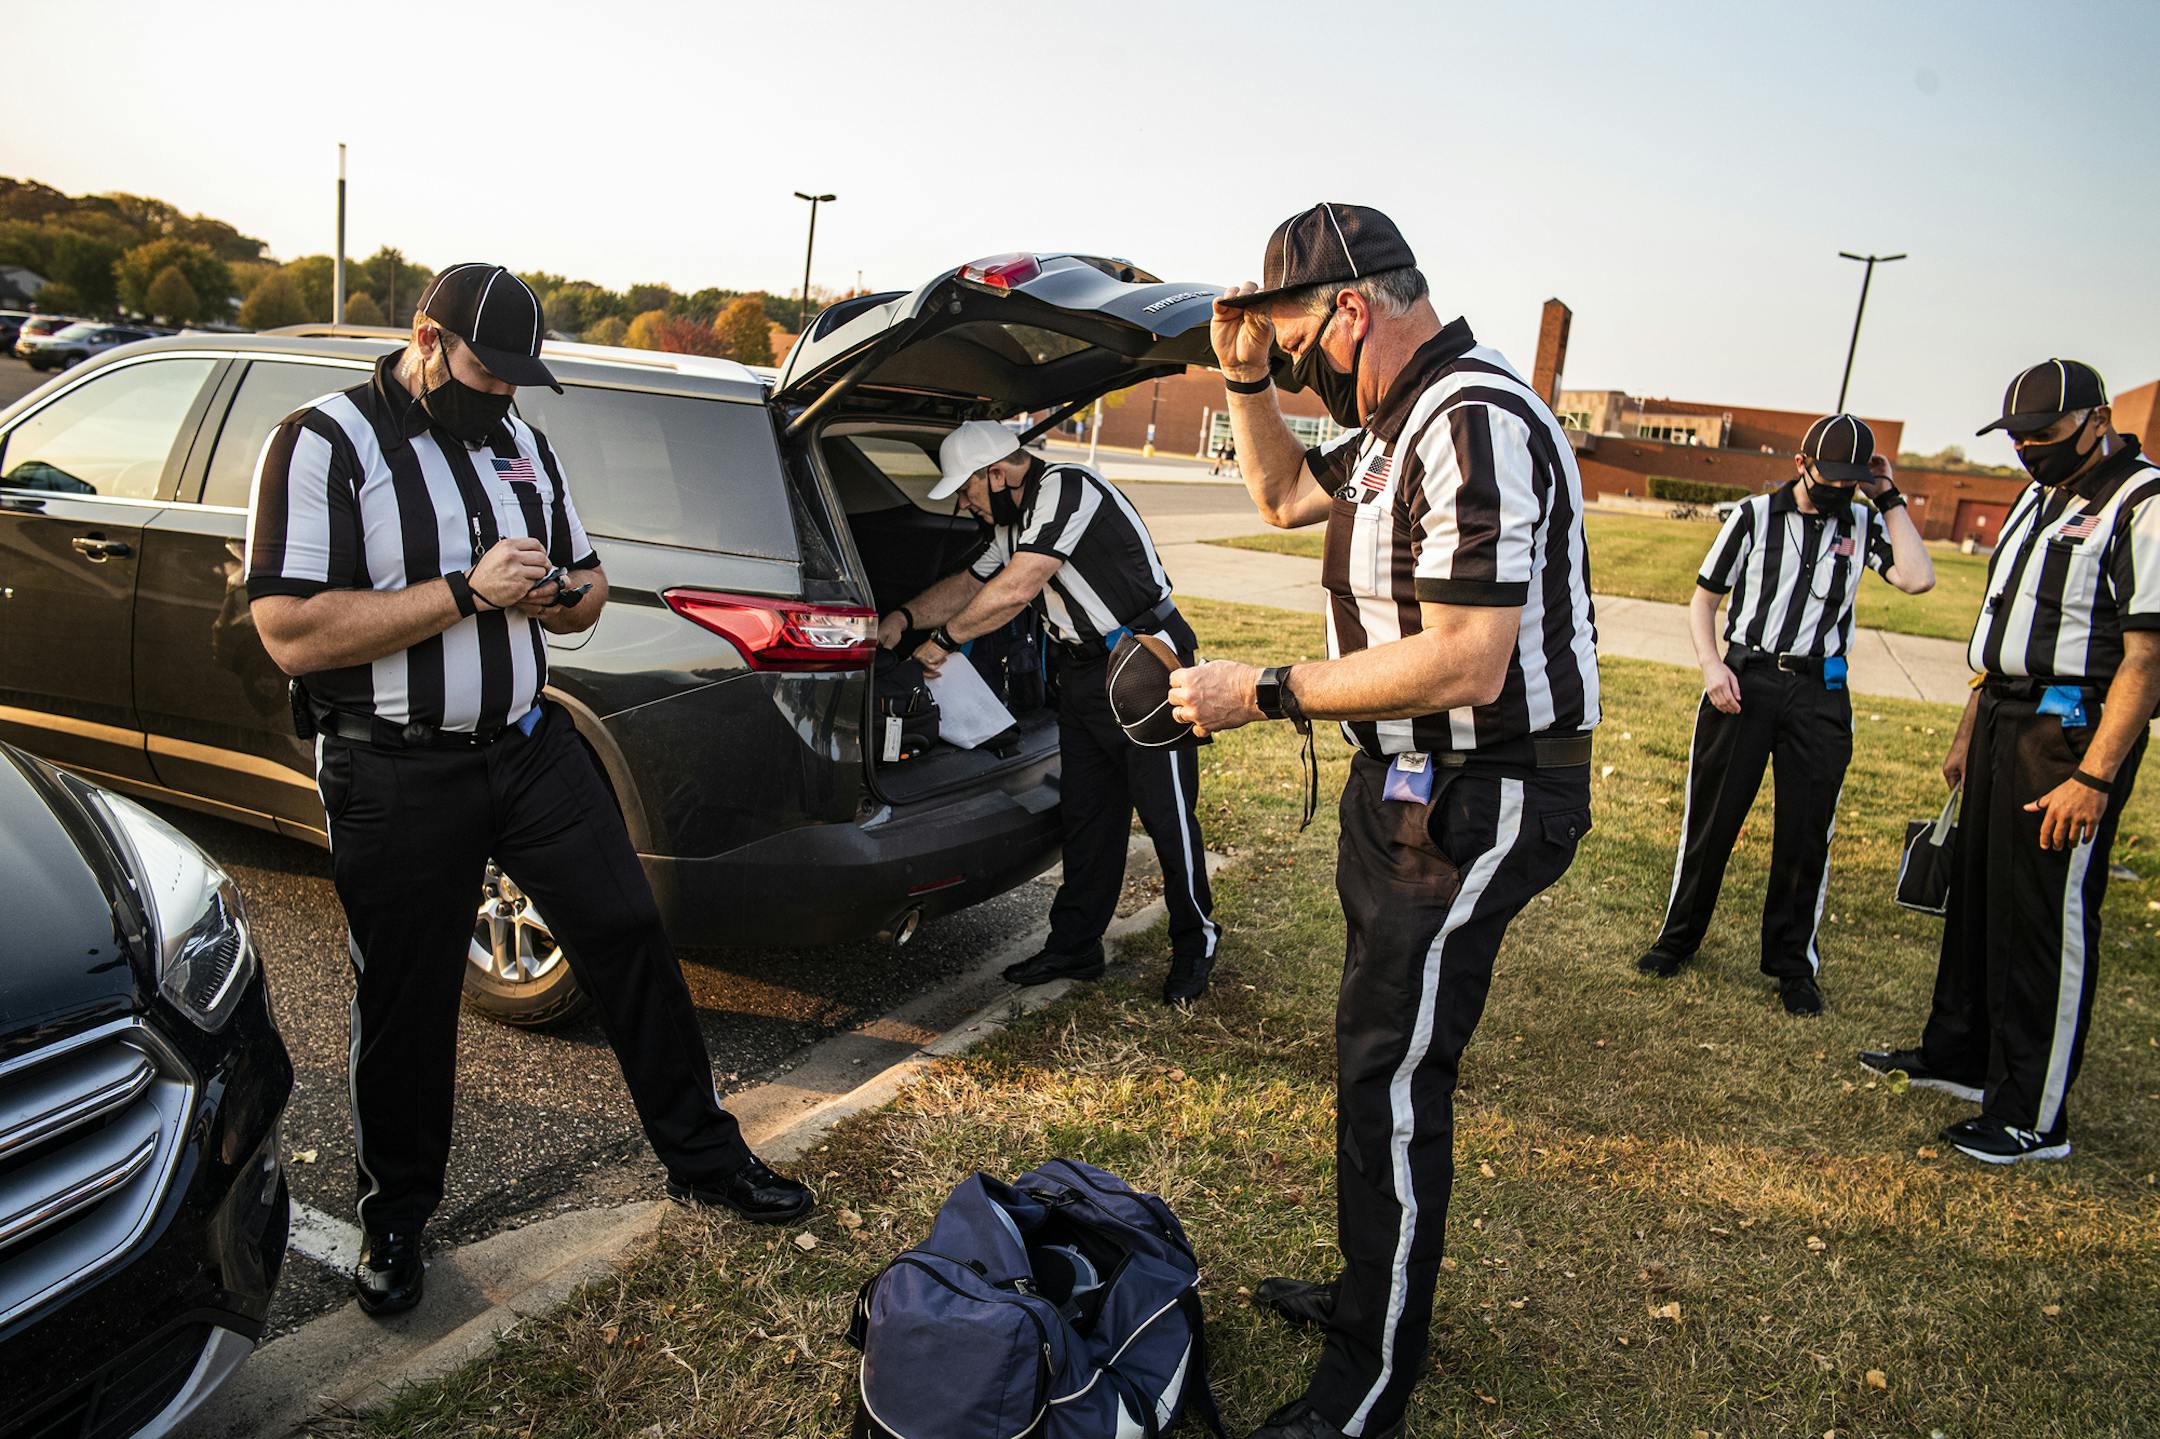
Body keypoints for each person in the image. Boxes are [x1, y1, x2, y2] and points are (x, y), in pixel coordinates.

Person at [245, 263, 811, 1317]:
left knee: (628, 928)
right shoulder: (324, 440)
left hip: (526, 742)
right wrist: (464, 592)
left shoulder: (521, 442)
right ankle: (397, 1216)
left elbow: (588, 585)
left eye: (517, 376)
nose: (500, 391)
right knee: (407, 997)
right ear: (425, 336)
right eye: (484, 367)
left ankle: (704, 1157)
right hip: (394, 759)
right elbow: (287, 630)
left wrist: (561, 596)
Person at [1169, 203, 1598, 1439]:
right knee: (1375, 1048)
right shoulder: (1395, 422)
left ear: (1355, 307)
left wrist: (1262, 692)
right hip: (1405, 785)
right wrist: (1245, 378)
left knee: (1393, 1068)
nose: (1299, 359)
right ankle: (1374, 1289)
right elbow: (1280, 496)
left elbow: (1466, 659)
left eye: (1299, 335)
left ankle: (1366, 1387)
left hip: (1484, 784)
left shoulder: (1471, 416)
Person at [1862, 359, 2160, 1164]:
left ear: (2096, 419)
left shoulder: (2143, 502)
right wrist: (1969, 728)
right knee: (1979, 897)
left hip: (2067, 732)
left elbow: (2146, 658)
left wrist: (2094, 776)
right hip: (2000, 712)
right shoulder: (2037, 496)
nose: (2030, 448)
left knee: (2043, 916)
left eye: (2046, 434)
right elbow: (2003, 631)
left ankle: (2033, 1113)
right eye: (2020, 437)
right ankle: (1959, 1054)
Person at [876, 420, 1221, 1002]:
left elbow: (1016, 587)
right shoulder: (1012, 523)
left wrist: (940, 645)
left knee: (1168, 815)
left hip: (1142, 665)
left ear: (998, 472)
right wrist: (906, 618)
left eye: (967, 489)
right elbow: (970, 582)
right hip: (1083, 676)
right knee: (1088, 815)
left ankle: (1196, 944)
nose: (964, 502)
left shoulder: (1068, 487)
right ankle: (1075, 946)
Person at [1635, 415, 1935, 1014]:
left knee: (1806, 833)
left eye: (1853, 480)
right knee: (1713, 819)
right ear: (1803, 463)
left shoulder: (1862, 518)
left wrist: (1888, 496)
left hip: (1820, 692)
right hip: (1745, 680)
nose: (1840, 488)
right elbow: (1704, 600)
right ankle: (1679, 939)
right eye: (1832, 476)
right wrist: (1711, 665)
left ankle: (1793, 965)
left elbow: (1917, 579)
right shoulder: (1752, 516)